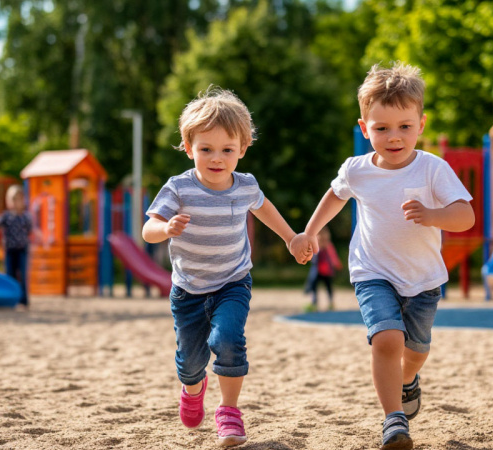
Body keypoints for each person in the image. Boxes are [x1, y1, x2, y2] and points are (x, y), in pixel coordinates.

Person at [290, 62, 475, 450]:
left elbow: (465, 215)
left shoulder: (432, 169)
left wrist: (433, 215)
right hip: (372, 272)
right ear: (364, 128)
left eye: (404, 127)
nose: (394, 137)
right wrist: (309, 231)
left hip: (423, 278)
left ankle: (409, 381)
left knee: (416, 351)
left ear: (420, 125)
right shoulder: (356, 171)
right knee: (386, 340)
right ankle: (394, 421)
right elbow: (335, 197)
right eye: (382, 128)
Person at [142, 87, 310, 447]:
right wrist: (165, 228)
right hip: (187, 290)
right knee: (190, 362)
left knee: (228, 340)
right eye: (206, 149)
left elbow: (264, 209)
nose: (216, 158)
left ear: (242, 150)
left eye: (227, 150)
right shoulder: (178, 188)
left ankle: (229, 412)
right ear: (189, 149)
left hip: (232, 283)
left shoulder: (245, 185)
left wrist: (291, 237)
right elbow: (148, 228)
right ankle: (192, 389)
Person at [0, 184, 32, 307]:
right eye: (12, 200)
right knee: (10, 274)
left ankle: (23, 299)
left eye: (18, 199)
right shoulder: (5, 216)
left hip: (22, 249)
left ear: (23, 200)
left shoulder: (26, 217)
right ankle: (11, 298)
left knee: (23, 274)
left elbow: (30, 230)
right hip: (10, 249)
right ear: (8, 201)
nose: (16, 203)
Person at [303, 227, 342, 312]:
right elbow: (312, 257)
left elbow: (333, 256)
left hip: (327, 271)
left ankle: (330, 302)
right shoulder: (316, 246)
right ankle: (314, 303)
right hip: (317, 271)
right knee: (314, 287)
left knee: (328, 287)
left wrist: (337, 264)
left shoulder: (329, 246)